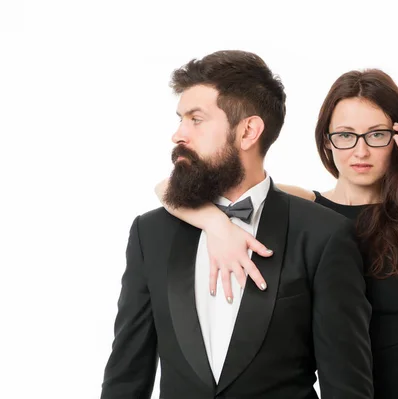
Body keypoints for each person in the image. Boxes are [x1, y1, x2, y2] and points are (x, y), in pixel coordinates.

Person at [156, 68, 398, 398]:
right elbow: (169, 188)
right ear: (327, 142)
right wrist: (219, 227)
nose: (361, 150)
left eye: (377, 134)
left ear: (397, 140)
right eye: (345, 136)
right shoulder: (300, 206)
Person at [100, 50, 374, 399]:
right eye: (180, 119)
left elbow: (346, 388)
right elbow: (126, 377)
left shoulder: (323, 235)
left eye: (196, 119)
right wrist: (217, 225)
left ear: (248, 132)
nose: (178, 135)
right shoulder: (149, 233)